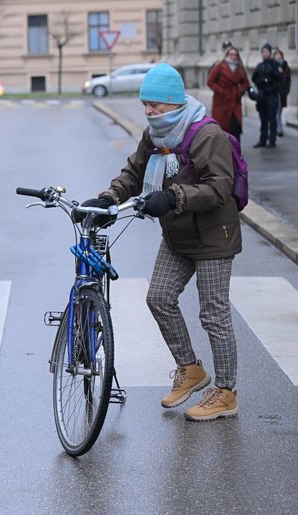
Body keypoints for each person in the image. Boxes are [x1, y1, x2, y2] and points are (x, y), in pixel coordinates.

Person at [79, 63, 241, 421]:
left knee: (213, 314)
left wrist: (174, 197)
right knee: (159, 298)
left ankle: (227, 392)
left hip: (214, 235)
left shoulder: (206, 135)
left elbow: (219, 188)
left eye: (155, 104)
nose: (149, 111)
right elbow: (134, 173)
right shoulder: (155, 134)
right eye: (145, 104)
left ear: (174, 101)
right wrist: (109, 197)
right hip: (178, 233)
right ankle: (191, 368)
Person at [207, 46, 249, 140]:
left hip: (235, 100)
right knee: (223, 127)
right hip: (222, 101)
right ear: (227, 55)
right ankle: (223, 151)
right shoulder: (220, 66)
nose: (233, 56)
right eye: (231, 54)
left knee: (236, 126)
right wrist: (220, 91)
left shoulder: (240, 68)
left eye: (235, 54)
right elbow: (210, 81)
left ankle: (236, 151)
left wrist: (240, 91)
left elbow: (246, 82)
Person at [251, 43, 284, 148]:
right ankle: (263, 139)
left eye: (267, 52)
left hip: (272, 95)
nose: (265, 54)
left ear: (270, 53)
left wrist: (272, 72)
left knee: (272, 118)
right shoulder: (260, 66)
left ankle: (272, 140)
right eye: (263, 52)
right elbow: (254, 78)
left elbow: (280, 76)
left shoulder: (275, 64)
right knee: (263, 118)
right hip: (262, 96)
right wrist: (260, 81)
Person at [273, 49, 291, 137]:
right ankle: (278, 129)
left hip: (282, 92)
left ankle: (278, 128)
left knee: (279, 111)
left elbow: (288, 80)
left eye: (279, 55)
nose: (278, 56)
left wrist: (286, 91)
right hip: (274, 92)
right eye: (276, 55)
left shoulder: (286, 67)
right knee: (276, 111)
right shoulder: (272, 66)